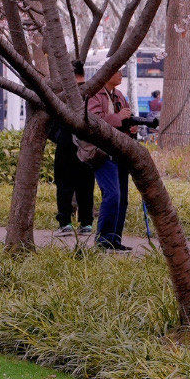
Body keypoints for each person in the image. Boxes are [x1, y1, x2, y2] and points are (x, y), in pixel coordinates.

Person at [86, 71, 132, 251]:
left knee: (122, 199)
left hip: (120, 152)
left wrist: (131, 126)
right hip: (101, 152)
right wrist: (118, 118)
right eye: (118, 70)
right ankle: (103, 240)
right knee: (112, 195)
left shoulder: (118, 95)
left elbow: (126, 119)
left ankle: (114, 240)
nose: (121, 74)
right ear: (107, 73)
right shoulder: (94, 95)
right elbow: (93, 121)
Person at [52, 61, 95, 241]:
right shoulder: (92, 90)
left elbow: (53, 121)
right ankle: (86, 223)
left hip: (66, 144)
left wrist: (58, 135)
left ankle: (65, 223)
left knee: (64, 184)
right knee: (86, 184)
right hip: (89, 146)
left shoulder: (65, 95)